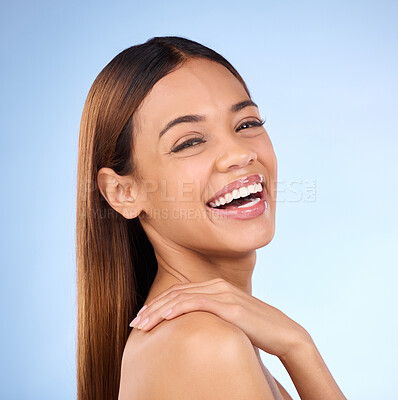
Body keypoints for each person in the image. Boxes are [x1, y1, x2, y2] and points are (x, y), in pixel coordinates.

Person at [76, 35, 346, 400]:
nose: (238, 153)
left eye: (246, 123)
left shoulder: (215, 337)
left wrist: (297, 346)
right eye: (189, 142)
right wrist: (298, 347)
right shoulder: (204, 344)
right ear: (123, 192)